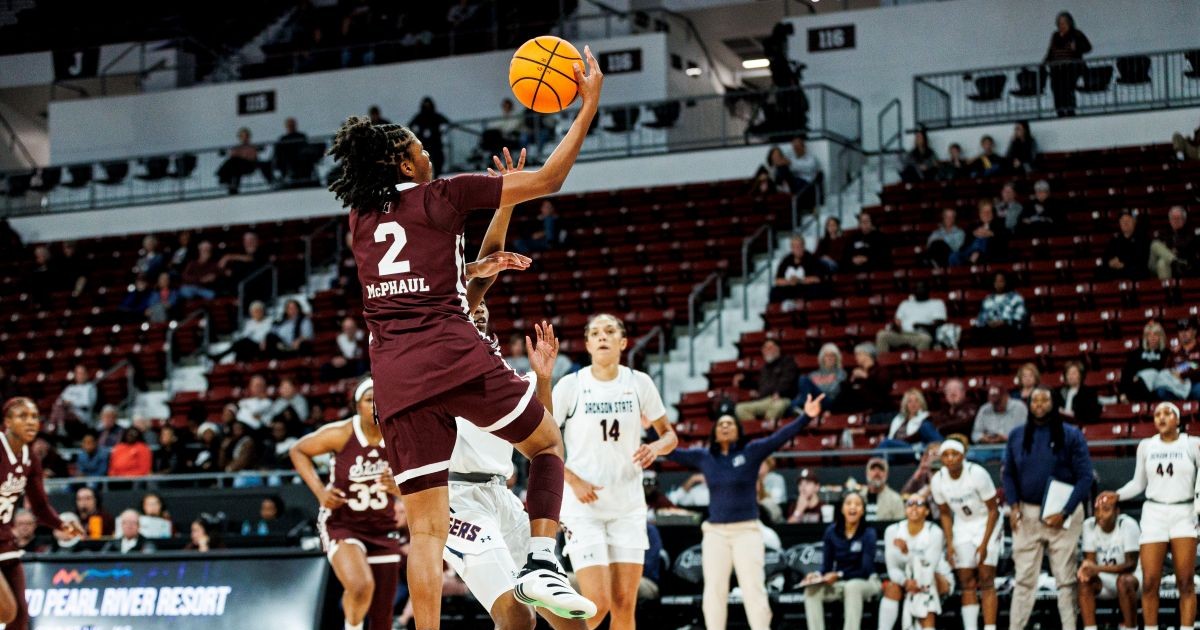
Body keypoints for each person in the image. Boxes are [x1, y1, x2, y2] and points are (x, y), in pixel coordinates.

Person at [331, 45, 602, 628]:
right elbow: (552, 179)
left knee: (424, 532)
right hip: (451, 351)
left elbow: (417, 271)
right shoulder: (443, 194)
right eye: (420, 149)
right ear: (405, 166)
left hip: (394, 374)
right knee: (547, 445)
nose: (428, 155)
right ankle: (541, 563)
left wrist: (471, 273)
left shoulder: (357, 216)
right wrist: (587, 107)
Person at [554, 313, 678, 629]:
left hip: (628, 506)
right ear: (587, 344)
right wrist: (573, 479)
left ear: (622, 342)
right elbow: (542, 446)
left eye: (610, 331)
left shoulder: (639, 383)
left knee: (625, 606)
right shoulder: (572, 385)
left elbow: (670, 435)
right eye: (595, 332)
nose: (602, 336)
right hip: (583, 506)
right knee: (596, 604)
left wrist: (656, 447)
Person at [668, 396, 822, 630]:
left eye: (730, 423)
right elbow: (671, 451)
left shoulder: (752, 452)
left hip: (747, 531)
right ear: (714, 432)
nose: (725, 426)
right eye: (720, 424)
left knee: (753, 589)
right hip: (715, 533)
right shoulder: (704, 457)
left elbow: (779, 437)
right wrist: (649, 431)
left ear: (738, 430)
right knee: (714, 591)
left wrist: (806, 417)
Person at [291, 378, 402, 630]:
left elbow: (414, 490)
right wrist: (320, 492)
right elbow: (298, 450)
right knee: (361, 586)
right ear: (357, 406)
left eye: (380, 398)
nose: (375, 404)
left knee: (383, 617)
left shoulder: (398, 435)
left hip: (383, 526)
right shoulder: (341, 434)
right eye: (368, 399)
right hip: (343, 523)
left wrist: (397, 487)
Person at [1002, 387, 1094, 630]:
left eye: (1045, 399)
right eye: (1035, 400)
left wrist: (1064, 512)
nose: (1039, 404)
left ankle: (1070, 627)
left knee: (1065, 579)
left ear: (1054, 403)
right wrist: (1013, 506)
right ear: (1029, 404)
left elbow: (1085, 477)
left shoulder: (1071, 434)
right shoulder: (1016, 435)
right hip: (1027, 513)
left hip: (1063, 514)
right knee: (1023, 580)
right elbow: (1008, 474)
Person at [1103, 401, 1199, 630]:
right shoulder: (1146, 446)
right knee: (1149, 582)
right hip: (1154, 512)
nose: (1161, 417)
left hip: (1184, 512)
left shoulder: (1193, 444)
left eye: (1167, 413)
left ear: (1178, 419)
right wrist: (1116, 494)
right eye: (1157, 414)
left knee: (1185, 581)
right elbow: (1138, 483)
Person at [0, 398, 86, 627]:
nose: (30, 422)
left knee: (19, 618)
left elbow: (39, 507)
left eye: (34, 417)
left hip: (5, 542)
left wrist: (61, 525)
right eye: (22, 416)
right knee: (7, 612)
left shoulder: (31, 459)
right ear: (7, 422)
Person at [931, 438, 1000, 630]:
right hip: (962, 523)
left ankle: (990, 627)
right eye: (946, 454)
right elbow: (945, 513)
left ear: (963, 456)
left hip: (987, 521)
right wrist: (950, 543)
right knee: (966, 579)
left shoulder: (976, 473)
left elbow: (994, 510)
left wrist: (985, 544)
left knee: (986, 576)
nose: (950, 458)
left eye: (955, 454)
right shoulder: (938, 480)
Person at [804, 492, 881, 630]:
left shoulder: (869, 533)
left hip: (867, 581)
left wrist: (838, 575)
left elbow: (866, 569)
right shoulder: (831, 532)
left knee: (852, 587)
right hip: (841, 582)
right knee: (811, 590)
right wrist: (817, 575)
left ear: (863, 510)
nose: (853, 507)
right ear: (841, 508)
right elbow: (826, 566)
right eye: (848, 503)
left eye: (857, 504)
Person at [878, 495, 953, 630]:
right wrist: (906, 582)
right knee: (891, 588)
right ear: (905, 509)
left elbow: (928, 568)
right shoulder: (892, 531)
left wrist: (907, 553)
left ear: (927, 511)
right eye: (910, 503)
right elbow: (892, 568)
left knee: (927, 590)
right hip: (906, 579)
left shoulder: (935, 532)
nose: (914, 507)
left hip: (935, 577)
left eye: (919, 504)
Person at [1077, 494, 1141, 630]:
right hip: (1104, 580)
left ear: (1117, 511)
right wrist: (1088, 569)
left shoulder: (1128, 525)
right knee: (1084, 581)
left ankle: (1130, 628)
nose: (1100, 515)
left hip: (1133, 579)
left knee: (1124, 581)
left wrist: (1097, 568)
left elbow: (1131, 565)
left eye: (1106, 509)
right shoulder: (1089, 525)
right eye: (1097, 510)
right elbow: (1090, 564)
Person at [734, 339, 799, 421]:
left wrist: (780, 392)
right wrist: (742, 382)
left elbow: (788, 380)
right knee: (740, 409)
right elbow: (759, 384)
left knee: (777, 407)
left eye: (771, 347)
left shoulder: (787, 362)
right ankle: (757, 430)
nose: (768, 350)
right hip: (764, 400)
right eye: (765, 348)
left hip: (781, 398)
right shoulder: (764, 368)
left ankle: (767, 429)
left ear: (778, 349)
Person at [875, 282, 946, 352]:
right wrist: (896, 326)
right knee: (881, 335)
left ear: (928, 290)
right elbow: (897, 321)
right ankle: (885, 362)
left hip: (920, 335)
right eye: (917, 288)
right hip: (902, 333)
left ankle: (921, 362)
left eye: (922, 288)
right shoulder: (905, 303)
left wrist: (921, 325)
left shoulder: (937, 303)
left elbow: (938, 324)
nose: (919, 290)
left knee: (925, 339)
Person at [1045, 11, 1091, 117]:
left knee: (1067, 89)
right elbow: (1050, 52)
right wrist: (1043, 64)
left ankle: (1070, 111)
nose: (1062, 26)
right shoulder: (1055, 35)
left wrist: (1077, 48)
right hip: (1056, 69)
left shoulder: (1076, 34)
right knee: (1056, 90)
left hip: (1070, 68)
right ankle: (1060, 112)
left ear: (1069, 23)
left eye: (1064, 23)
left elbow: (1088, 47)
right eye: (1059, 23)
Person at [880, 390, 943, 459]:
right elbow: (891, 436)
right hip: (895, 448)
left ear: (921, 403)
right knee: (886, 452)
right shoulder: (898, 419)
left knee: (886, 443)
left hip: (912, 448)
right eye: (910, 401)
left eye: (916, 401)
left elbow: (936, 440)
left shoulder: (925, 419)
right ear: (905, 404)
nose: (913, 404)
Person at [972, 271, 1026, 347]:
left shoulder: (1016, 298)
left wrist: (1004, 322)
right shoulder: (988, 299)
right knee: (976, 331)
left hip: (1008, 329)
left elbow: (1020, 316)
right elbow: (981, 318)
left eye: (1001, 281)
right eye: (996, 281)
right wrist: (988, 323)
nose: (998, 284)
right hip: (991, 329)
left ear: (1006, 282)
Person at [834, 343, 890, 414]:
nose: (856, 357)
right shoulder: (856, 372)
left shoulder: (881, 371)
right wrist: (851, 381)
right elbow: (846, 393)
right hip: (858, 409)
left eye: (859, 354)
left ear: (867, 355)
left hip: (878, 410)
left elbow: (882, 388)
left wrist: (866, 376)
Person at [950, 200, 1008, 267]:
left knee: (983, 239)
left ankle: (973, 257)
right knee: (953, 256)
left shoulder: (999, 225)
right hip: (968, 253)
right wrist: (973, 234)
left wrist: (991, 233)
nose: (986, 214)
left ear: (993, 213)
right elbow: (964, 246)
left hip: (987, 254)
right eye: (983, 212)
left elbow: (1005, 237)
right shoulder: (972, 226)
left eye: (989, 211)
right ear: (980, 214)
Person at [1121, 320, 1168, 402]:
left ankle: (1117, 399)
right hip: (1137, 388)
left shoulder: (1166, 353)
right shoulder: (1136, 353)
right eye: (1149, 335)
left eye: (1156, 334)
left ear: (1161, 337)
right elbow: (1127, 373)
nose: (1152, 337)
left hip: (1157, 388)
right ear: (1145, 337)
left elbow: (1165, 373)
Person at [769, 235, 825, 303]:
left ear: (804, 246)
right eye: (795, 247)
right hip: (790, 288)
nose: (797, 249)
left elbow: (817, 279)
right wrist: (789, 281)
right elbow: (777, 281)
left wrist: (799, 280)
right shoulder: (786, 260)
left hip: (805, 288)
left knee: (817, 289)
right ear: (791, 248)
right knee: (774, 291)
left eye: (799, 246)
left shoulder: (812, 259)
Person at [216, 127, 273, 194]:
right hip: (239, 167)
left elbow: (252, 157)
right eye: (242, 136)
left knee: (234, 160)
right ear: (240, 137)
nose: (245, 138)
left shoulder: (252, 146)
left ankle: (222, 176)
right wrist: (225, 153)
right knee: (234, 164)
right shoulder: (237, 147)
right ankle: (232, 186)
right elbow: (232, 155)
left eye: (246, 136)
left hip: (249, 166)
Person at [793, 343, 845, 413]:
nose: (829, 358)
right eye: (827, 356)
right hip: (813, 400)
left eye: (832, 356)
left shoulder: (841, 373)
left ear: (837, 358)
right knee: (789, 404)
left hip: (828, 400)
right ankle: (800, 408)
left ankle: (803, 407)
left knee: (804, 380)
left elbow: (834, 390)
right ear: (822, 358)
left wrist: (814, 389)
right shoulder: (813, 374)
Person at [1149, 205, 1195, 280]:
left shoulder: (1189, 233)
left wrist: (1172, 249)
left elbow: (1188, 249)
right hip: (1155, 265)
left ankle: (1168, 291)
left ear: (1184, 220)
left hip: (1181, 264)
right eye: (1173, 218)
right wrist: (1170, 251)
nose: (1175, 220)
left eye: (1178, 218)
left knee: (1162, 263)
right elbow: (1156, 249)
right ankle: (1174, 260)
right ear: (1169, 220)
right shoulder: (1164, 232)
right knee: (1155, 244)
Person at [1101, 211, 1150, 281]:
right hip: (1117, 270)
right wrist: (1110, 262)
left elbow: (1142, 258)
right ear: (1119, 223)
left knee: (1139, 271)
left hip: (1133, 270)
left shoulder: (1143, 238)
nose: (1125, 223)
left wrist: (1124, 264)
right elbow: (1106, 256)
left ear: (1134, 222)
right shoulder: (1115, 240)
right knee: (1101, 271)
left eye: (1128, 220)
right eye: (1123, 221)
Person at [409, 97, 450, 177]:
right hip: (424, 144)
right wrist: (416, 134)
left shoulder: (436, 116)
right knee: (423, 161)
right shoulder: (420, 117)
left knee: (438, 161)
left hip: (435, 143)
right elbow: (411, 125)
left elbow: (447, 123)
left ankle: (436, 175)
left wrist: (442, 132)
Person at [781, 135, 823, 212]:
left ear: (803, 146)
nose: (796, 149)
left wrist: (791, 164)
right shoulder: (792, 158)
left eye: (798, 146)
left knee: (797, 182)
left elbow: (809, 167)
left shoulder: (811, 158)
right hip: (795, 184)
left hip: (808, 184)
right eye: (794, 147)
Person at [857, 457, 905, 522]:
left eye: (881, 469)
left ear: (887, 474)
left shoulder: (895, 499)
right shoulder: (858, 497)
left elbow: (900, 526)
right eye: (873, 469)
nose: (877, 472)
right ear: (867, 473)